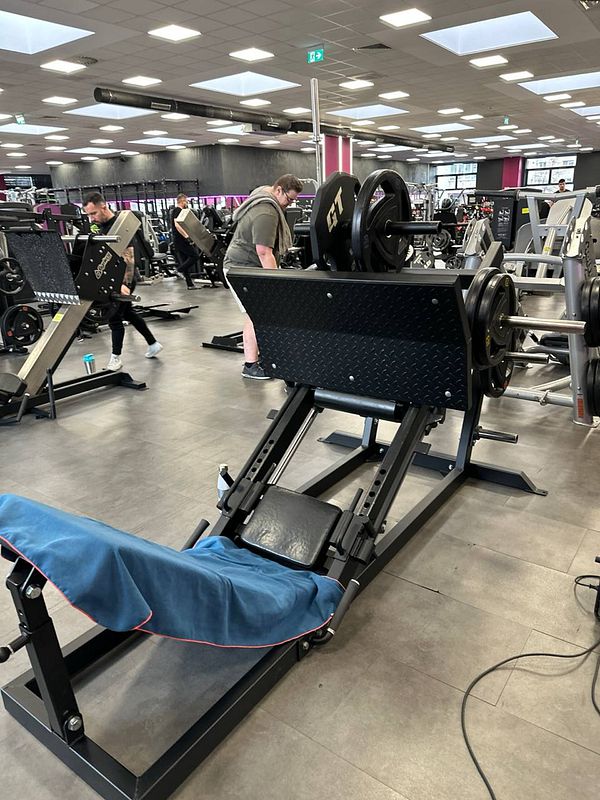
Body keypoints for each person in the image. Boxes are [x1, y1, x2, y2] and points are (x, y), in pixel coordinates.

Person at [223, 174, 303, 380]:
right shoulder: (267, 211)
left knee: (259, 314)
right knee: (256, 314)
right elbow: (263, 252)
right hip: (242, 268)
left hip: (248, 267)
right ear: (278, 191)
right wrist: (276, 285)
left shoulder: (263, 194)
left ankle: (262, 358)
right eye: (289, 199)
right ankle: (250, 365)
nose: (290, 204)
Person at [82, 192, 163, 371]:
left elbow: (129, 258)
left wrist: (124, 284)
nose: (91, 218)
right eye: (88, 214)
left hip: (123, 278)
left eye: (93, 213)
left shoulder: (121, 224)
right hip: (111, 277)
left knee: (114, 317)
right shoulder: (100, 226)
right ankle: (153, 344)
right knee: (128, 314)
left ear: (103, 207)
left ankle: (115, 358)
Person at [169, 194, 200, 289]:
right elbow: (177, 225)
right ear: (182, 201)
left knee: (184, 261)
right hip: (180, 240)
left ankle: (190, 284)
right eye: (186, 201)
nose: (187, 203)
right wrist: (187, 237)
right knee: (195, 256)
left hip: (179, 240)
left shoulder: (180, 211)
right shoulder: (177, 210)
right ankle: (179, 270)